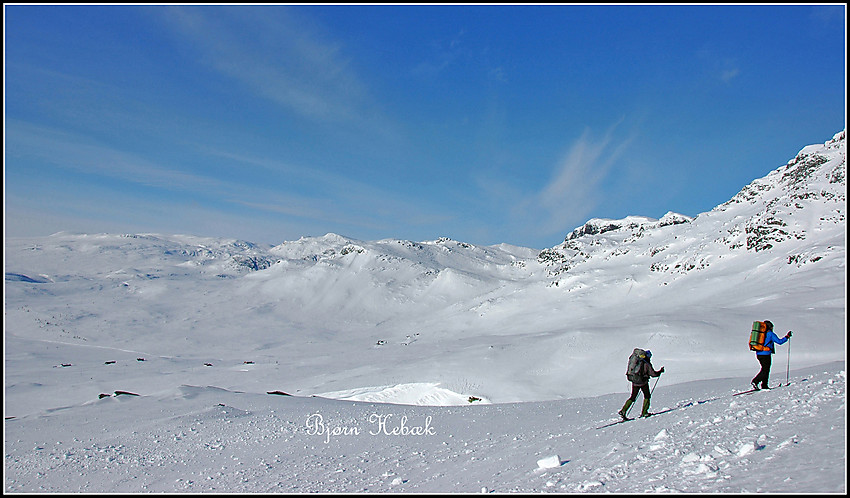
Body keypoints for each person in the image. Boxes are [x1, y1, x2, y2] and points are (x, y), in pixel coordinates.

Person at [618, 350, 664, 419]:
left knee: (633, 397)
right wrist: (660, 371)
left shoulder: (637, 362)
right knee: (647, 396)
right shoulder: (646, 364)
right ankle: (644, 412)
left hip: (635, 382)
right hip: (643, 382)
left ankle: (623, 410)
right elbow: (653, 374)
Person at [751, 320, 792, 390]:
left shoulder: (760, 334)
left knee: (765, 369)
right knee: (765, 370)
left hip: (758, 353)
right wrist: (787, 337)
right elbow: (779, 342)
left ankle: (764, 385)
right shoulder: (770, 334)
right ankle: (756, 381)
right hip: (766, 354)